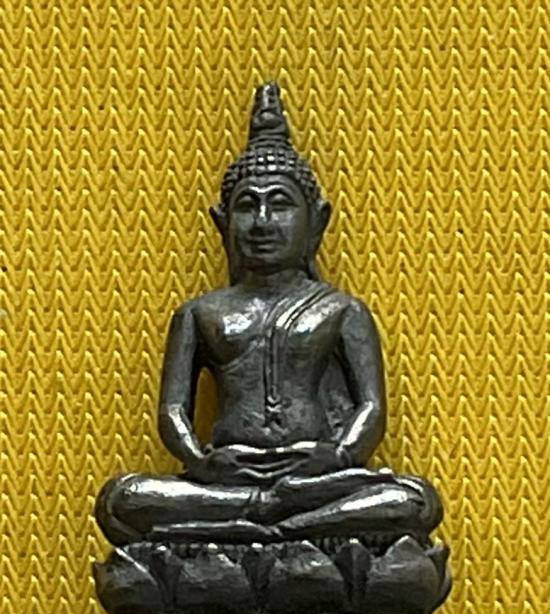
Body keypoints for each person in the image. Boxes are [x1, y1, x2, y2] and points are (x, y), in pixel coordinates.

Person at [95, 81, 442, 548]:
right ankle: (281, 522)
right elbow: (173, 411)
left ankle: (270, 525)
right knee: (124, 498)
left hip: (315, 479)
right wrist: (201, 462)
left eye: (279, 205)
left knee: (413, 500)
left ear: (316, 220)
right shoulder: (200, 313)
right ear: (223, 223)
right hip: (227, 479)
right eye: (247, 206)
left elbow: (371, 409)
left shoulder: (341, 310)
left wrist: (339, 457)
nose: (262, 222)